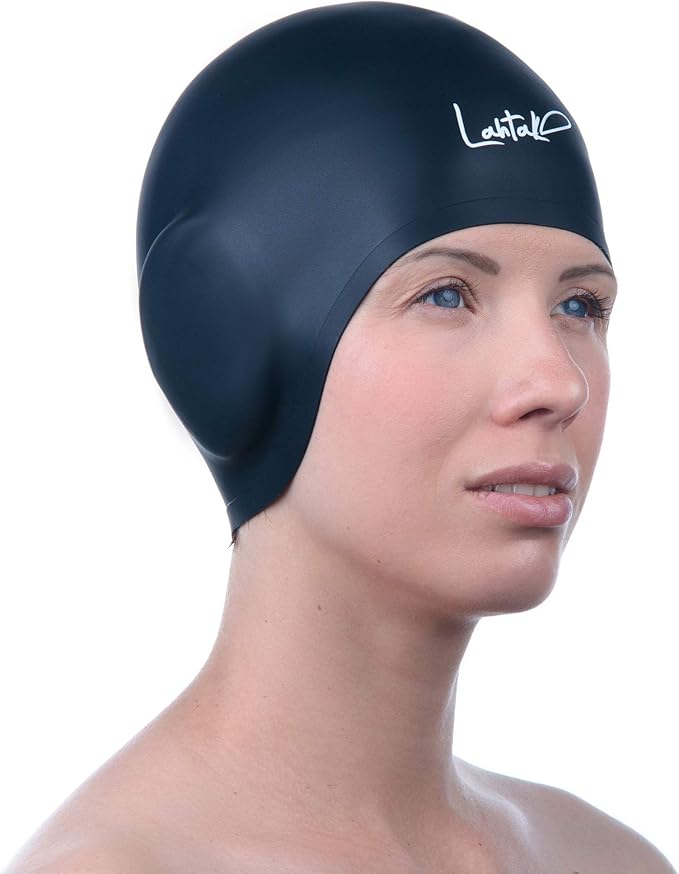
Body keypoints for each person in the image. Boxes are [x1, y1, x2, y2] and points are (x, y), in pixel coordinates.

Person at [3, 3, 676, 872]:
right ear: (226, 342)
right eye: (446, 295)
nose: (559, 382)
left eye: (579, 305)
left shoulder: (609, 860)